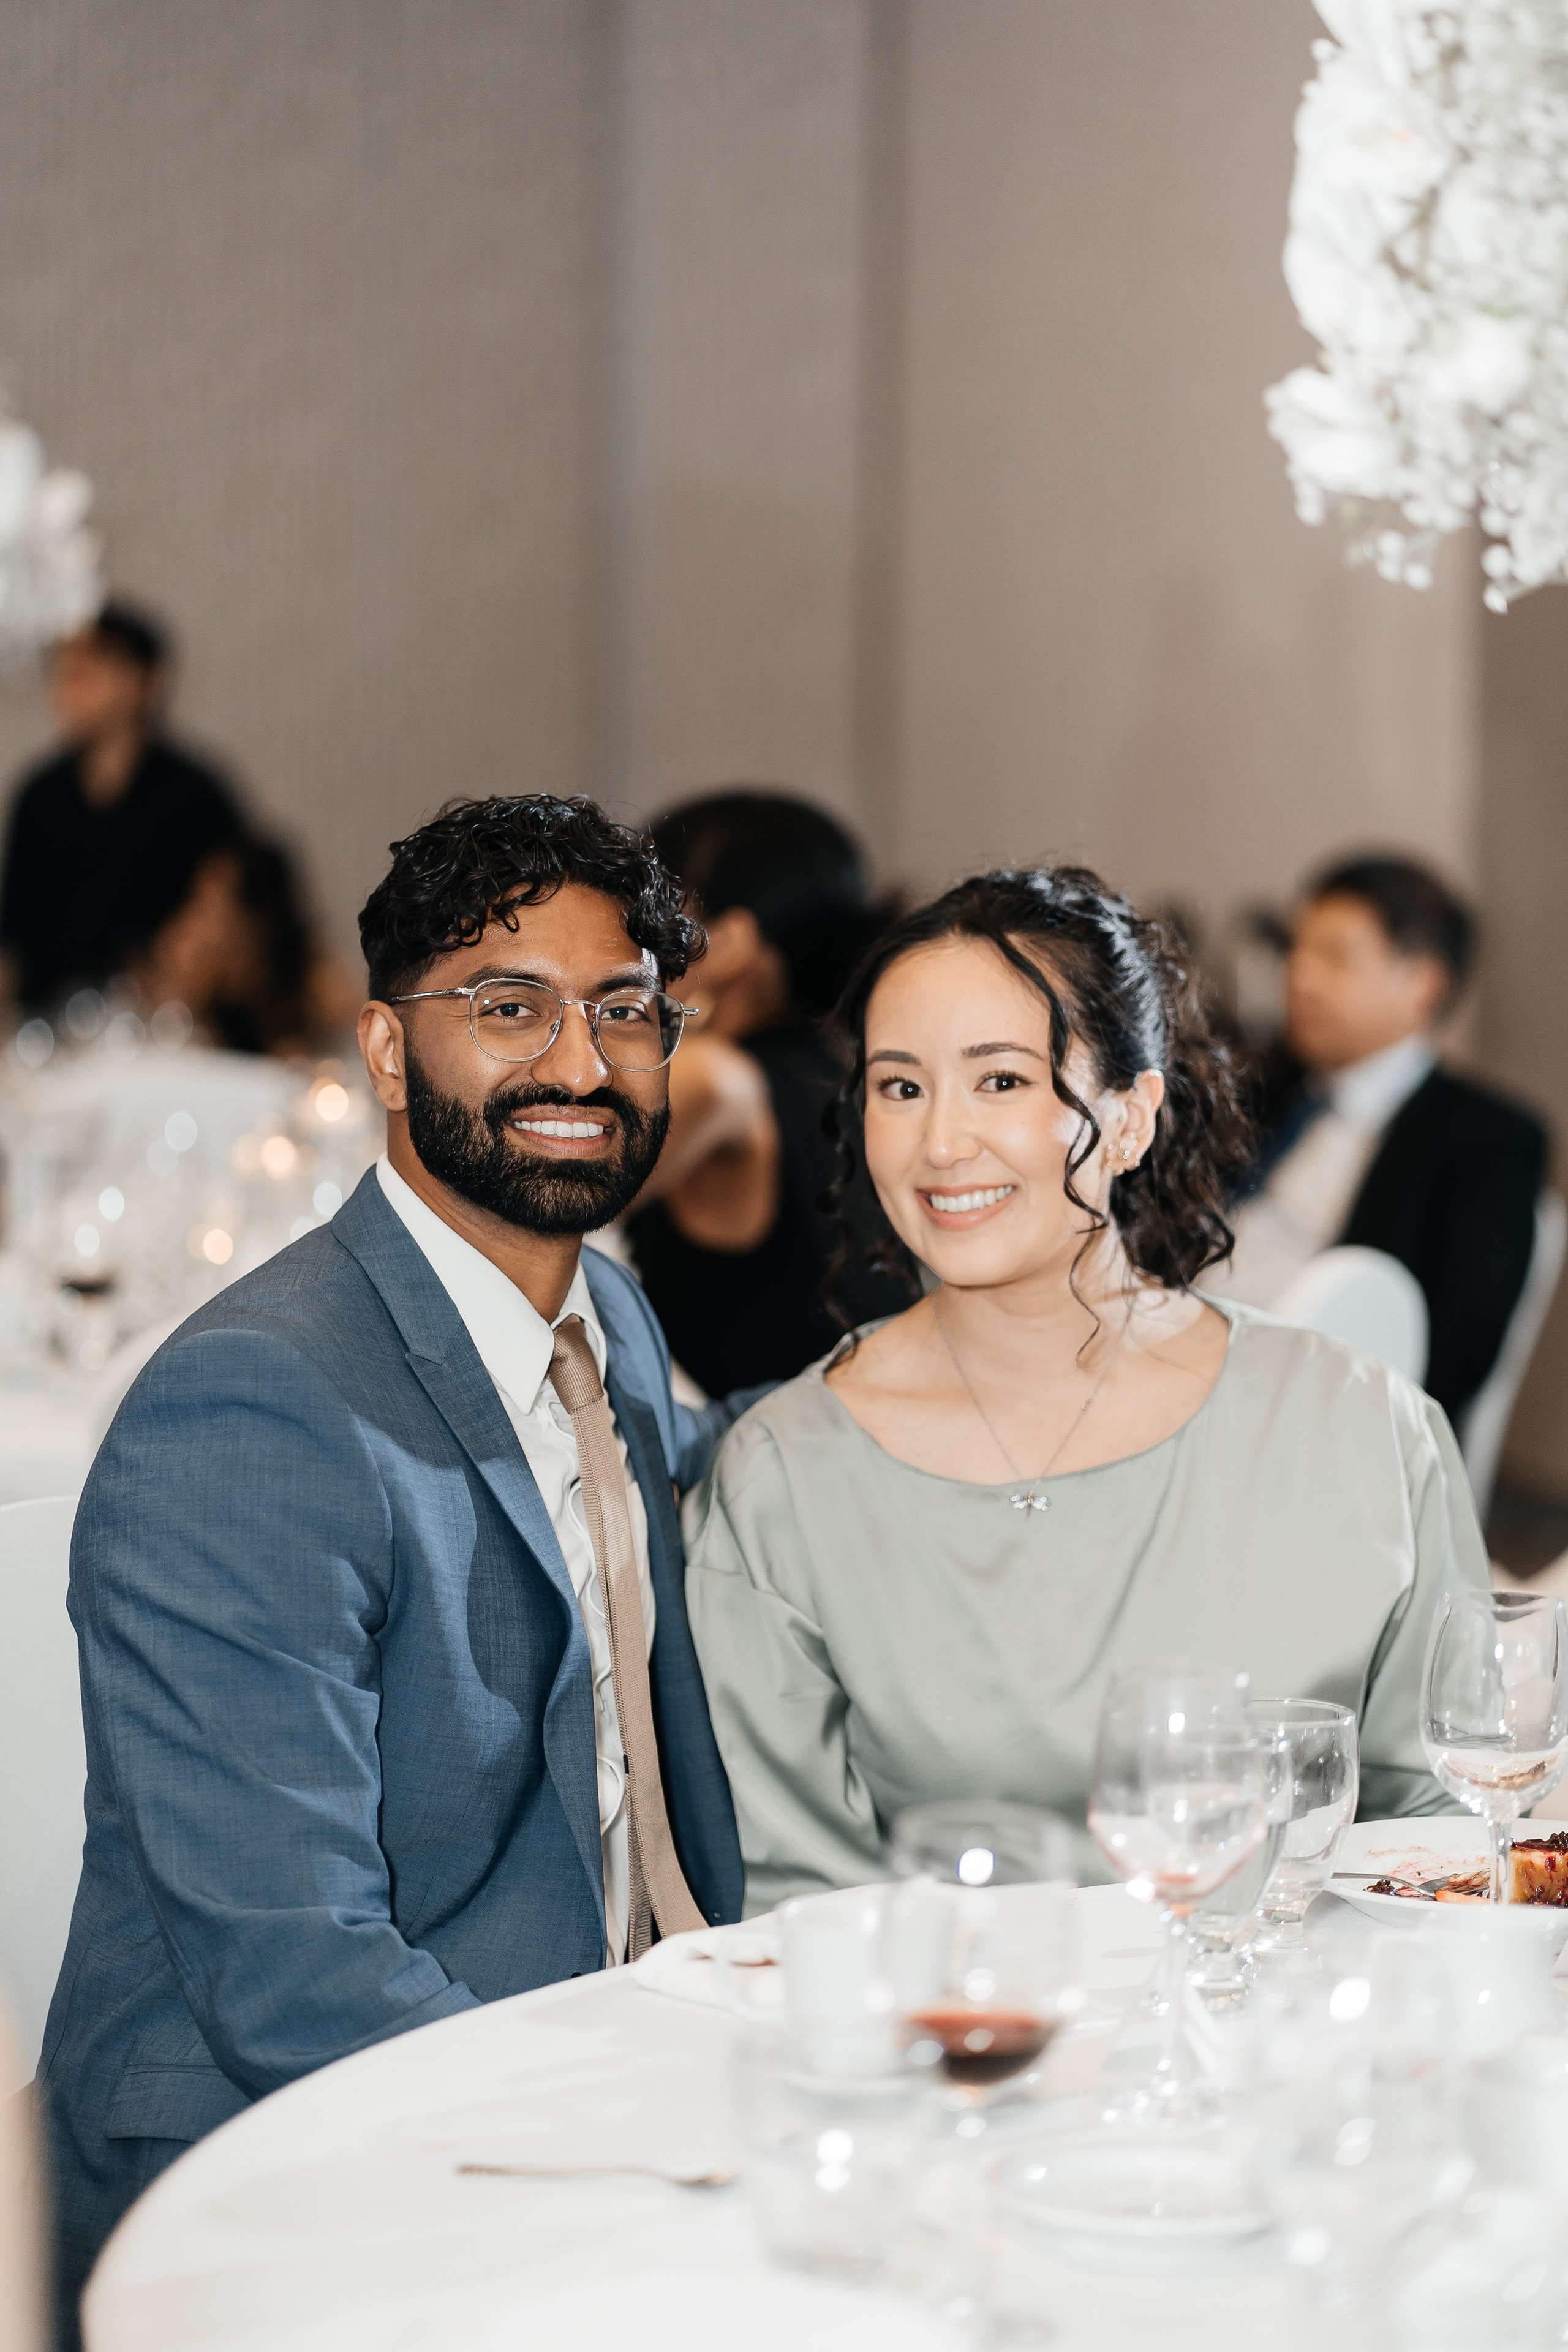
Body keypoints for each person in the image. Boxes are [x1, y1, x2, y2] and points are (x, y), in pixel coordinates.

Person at [40, 795, 748, 2346]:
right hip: (289, 2152)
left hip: (595, 2054)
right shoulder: (257, 1404)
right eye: (508, 1008)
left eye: (622, 1012)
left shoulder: (606, 1326)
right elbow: (294, 1975)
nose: (577, 1062)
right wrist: (631, 2138)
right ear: (381, 1049)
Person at [684, 865, 1491, 1913]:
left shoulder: (1354, 1423)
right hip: (963, 2058)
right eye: (900, 1086)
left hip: (1303, 2042)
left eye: (1003, 1081)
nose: (940, 1143)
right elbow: (800, 1907)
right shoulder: (784, 1481)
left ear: (1131, 1118)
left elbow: (1443, 1833)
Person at [1219, 855, 1548, 1427]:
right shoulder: (1259, 1087)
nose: (1301, 974)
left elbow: (1456, 1352)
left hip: (1313, 1412)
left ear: (1423, 984)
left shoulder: (1487, 1141)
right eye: (1299, 948)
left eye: (1335, 956)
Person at [625, 790, 911, 1392]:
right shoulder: (844, 1071)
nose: (623, 935)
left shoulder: (713, 1079)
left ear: (728, 941)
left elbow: (523, 1202)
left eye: (648, 908)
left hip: (778, 1464)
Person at [0, 600, 244, 1008]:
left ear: (143, 679)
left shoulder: (194, 793)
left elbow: (236, 909)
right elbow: (13, 933)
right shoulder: (39, 795)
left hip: (163, 1020)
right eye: (63, 672)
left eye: (88, 670)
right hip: (49, 1025)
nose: (69, 687)